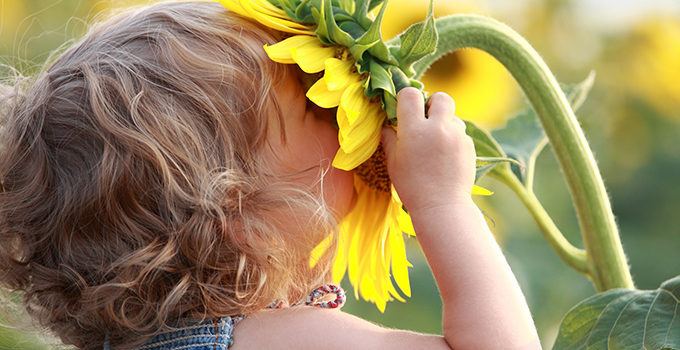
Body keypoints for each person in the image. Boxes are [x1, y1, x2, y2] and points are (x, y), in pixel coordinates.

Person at [0, 1, 541, 349]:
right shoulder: (285, 341)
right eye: (316, 106)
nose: (343, 121)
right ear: (238, 216)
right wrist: (443, 203)